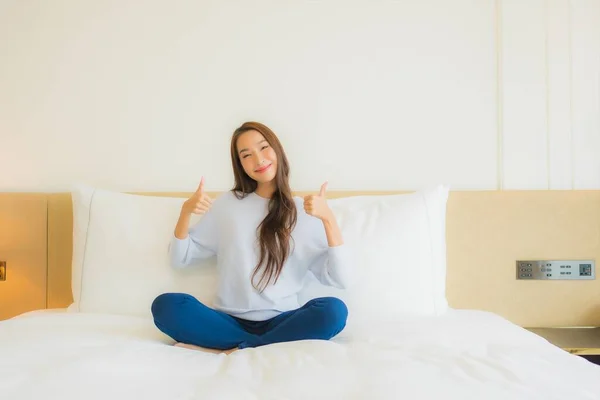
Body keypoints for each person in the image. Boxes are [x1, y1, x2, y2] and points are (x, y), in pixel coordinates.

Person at [151, 121, 352, 355]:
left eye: (263, 147)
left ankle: (232, 349)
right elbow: (180, 260)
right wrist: (185, 212)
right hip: (227, 321)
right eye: (246, 155)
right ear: (240, 165)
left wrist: (328, 219)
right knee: (167, 306)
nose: (258, 160)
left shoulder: (305, 212)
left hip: (283, 320)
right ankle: (257, 346)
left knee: (333, 311)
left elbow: (341, 279)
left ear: (277, 150)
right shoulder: (228, 204)